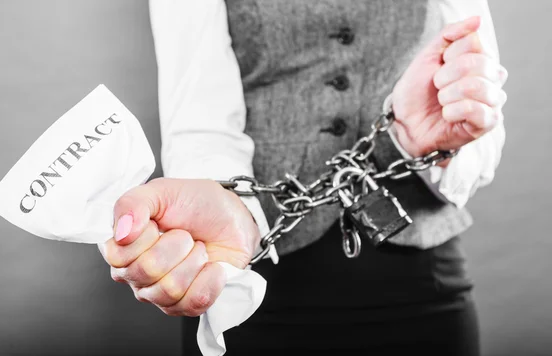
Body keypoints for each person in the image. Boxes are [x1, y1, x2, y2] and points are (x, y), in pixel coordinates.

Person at [98, 0, 507, 355]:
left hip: (422, 286)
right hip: (252, 291)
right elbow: (198, 124)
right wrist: (225, 212)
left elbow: (480, 117)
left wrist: (431, 143)